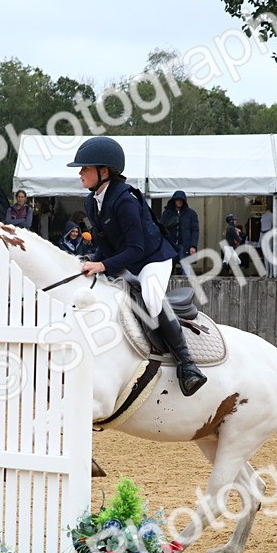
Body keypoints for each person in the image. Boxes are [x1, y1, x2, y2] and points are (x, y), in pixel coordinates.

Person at [67, 136, 206, 396]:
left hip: (152, 259)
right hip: (127, 260)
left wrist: (102, 265)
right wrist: (92, 262)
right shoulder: (91, 201)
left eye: (85, 168)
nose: (80, 173)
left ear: (104, 171)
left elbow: (136, 249)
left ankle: (187, 365)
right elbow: (106, 244)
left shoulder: (125, 200)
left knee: (151, 298)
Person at [161, 190, 199, 258]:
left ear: (184, 201)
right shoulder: (167, 213)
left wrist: (193, 246)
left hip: (184, 245)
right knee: (170, 263)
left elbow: (195, 231)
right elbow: (161, 228)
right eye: (177, 199)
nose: (179, 201)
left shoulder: (191, 214)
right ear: (174, 200)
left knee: (184, 262)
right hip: (170, 244)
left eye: (181, 200)